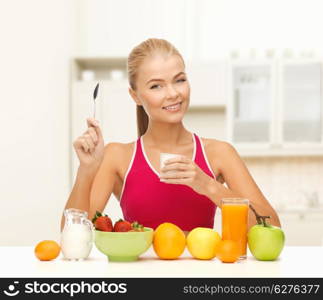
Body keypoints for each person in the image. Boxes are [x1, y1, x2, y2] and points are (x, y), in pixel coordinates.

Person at [61, 38, 281, 233]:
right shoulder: (117, 156)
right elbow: (73, 236)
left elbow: (271, 227)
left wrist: (209, 186)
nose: (173, 93)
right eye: (156, 86)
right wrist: (86, 171)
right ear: (135, 96)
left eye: (180, 80)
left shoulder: (219, 154)